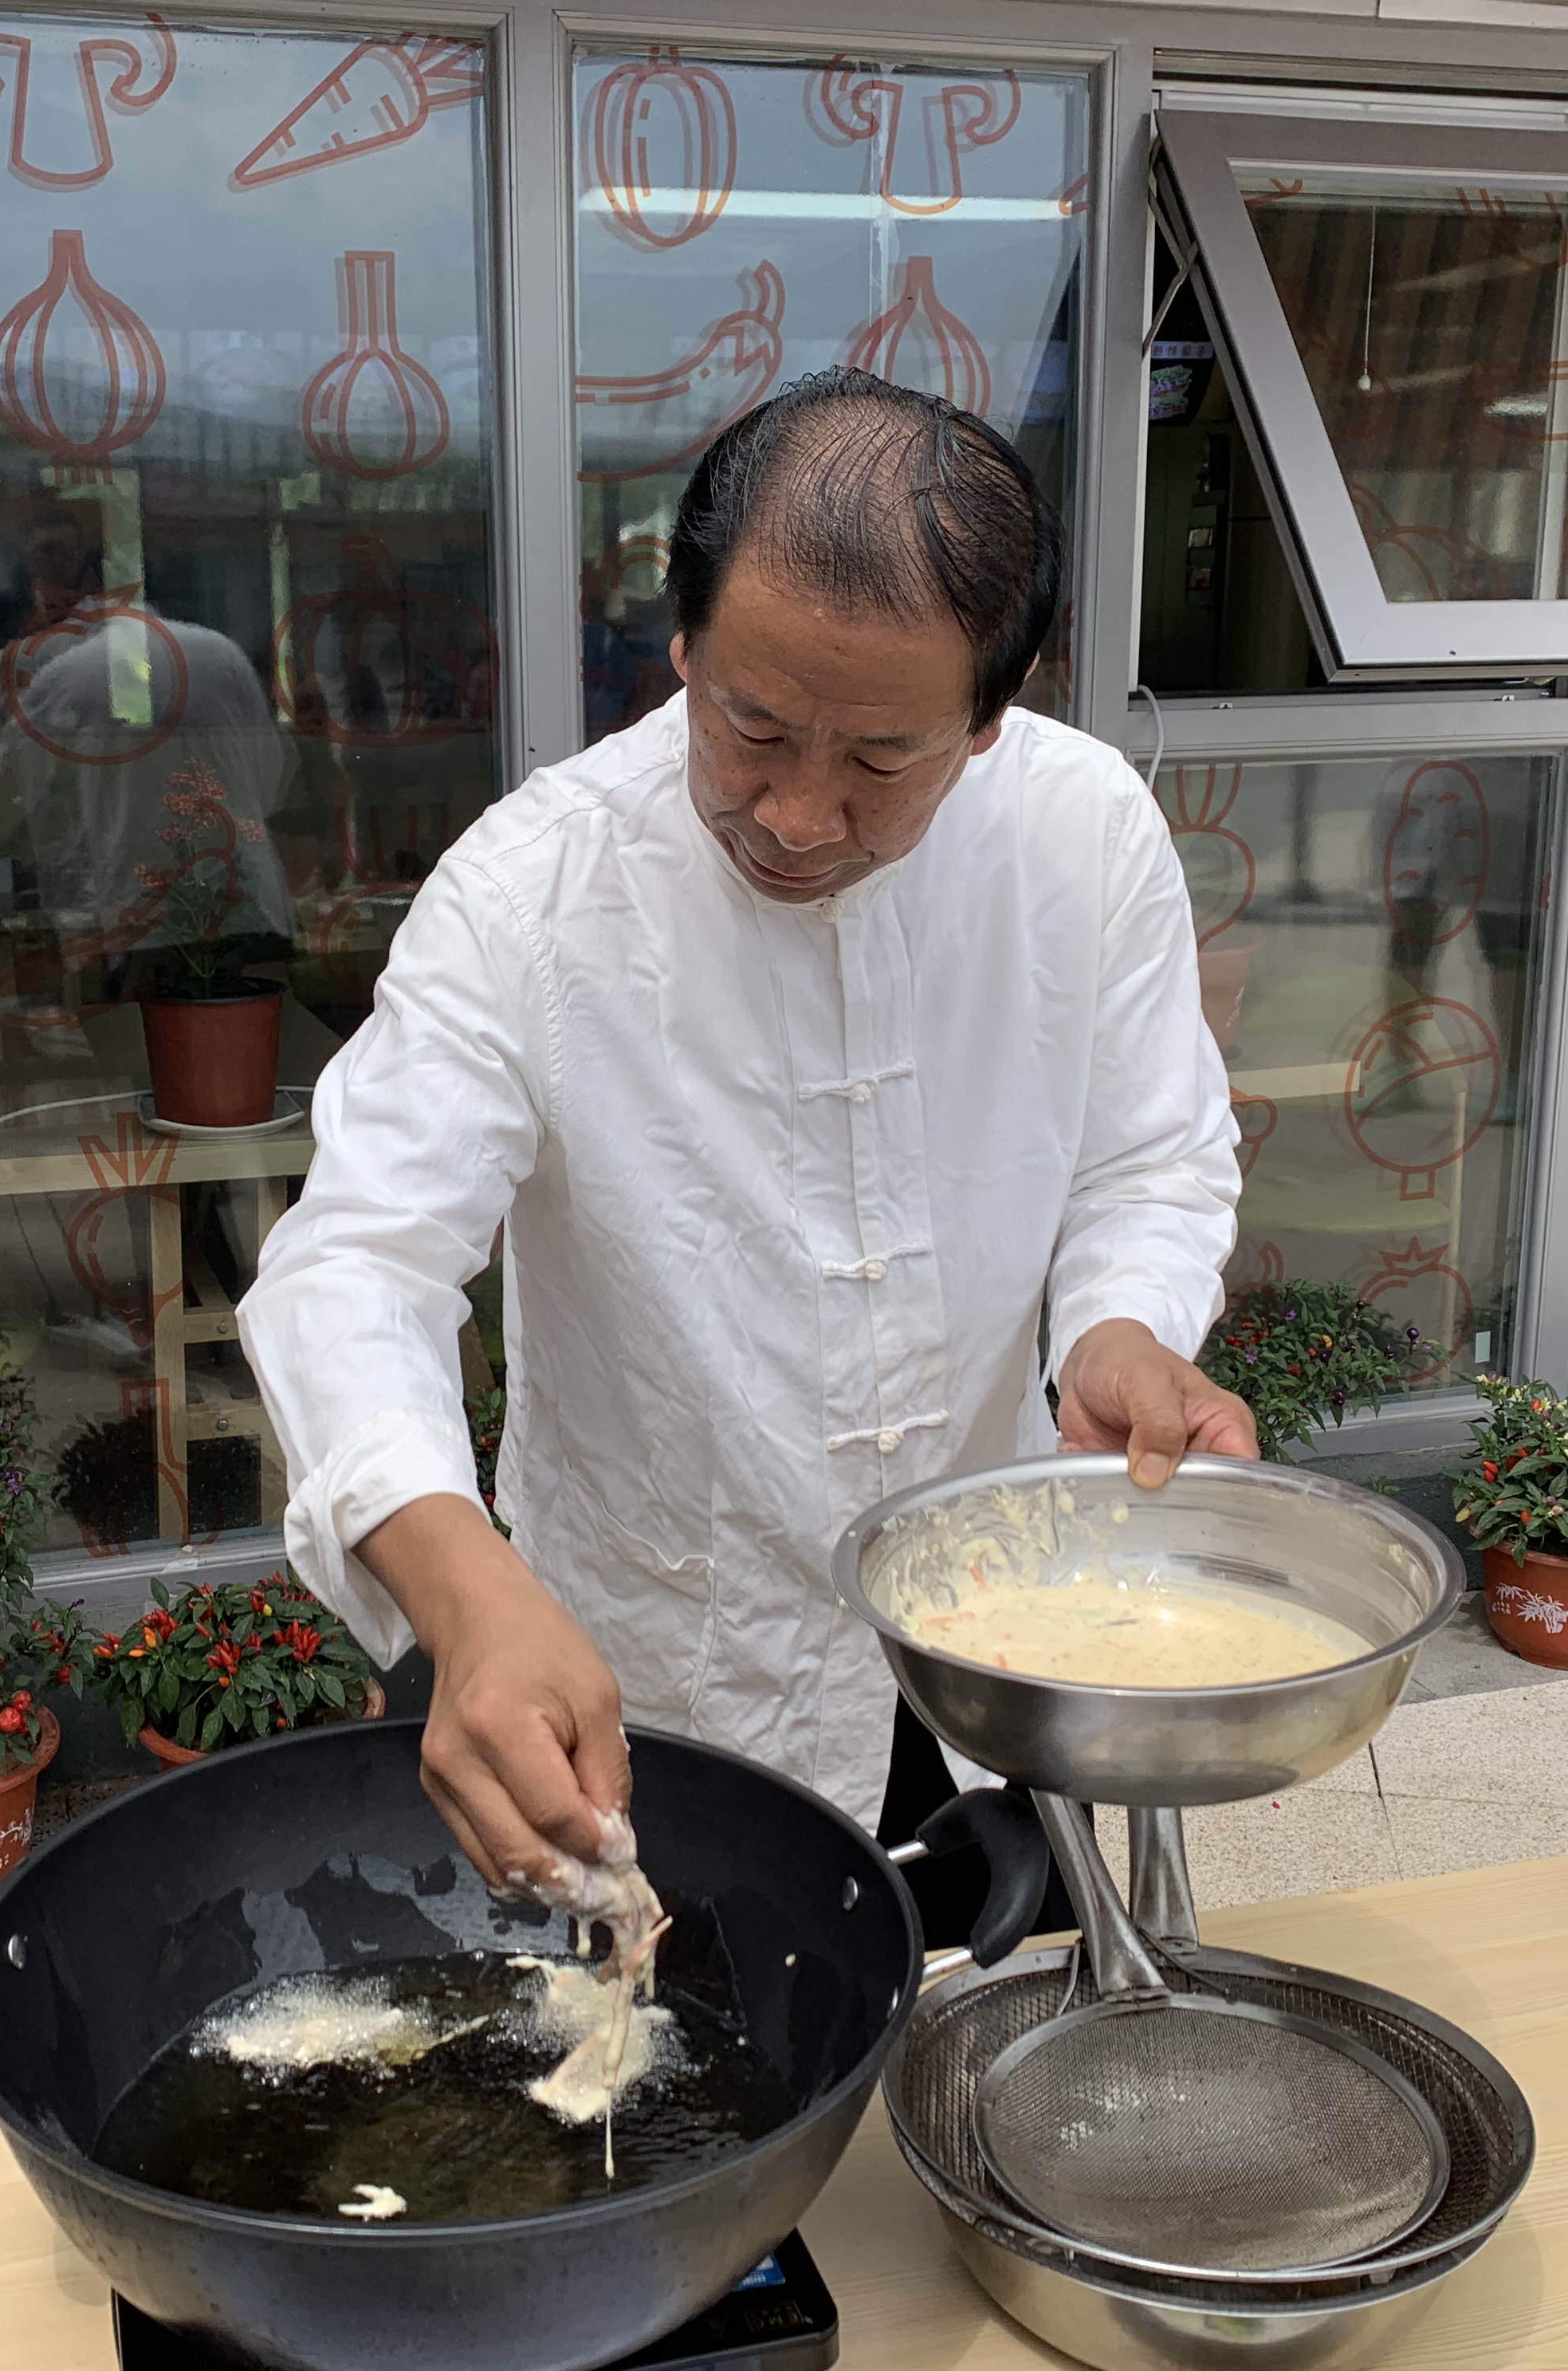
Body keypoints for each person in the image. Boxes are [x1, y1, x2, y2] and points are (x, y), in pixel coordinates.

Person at [236, 371, 1254, 1940]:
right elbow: (353, 1262)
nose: (794, 812)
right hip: (657, 1677)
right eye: (753, 726)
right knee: (668, 2095)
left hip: (985, 1630)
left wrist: (1120, 1323)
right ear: (683, 641)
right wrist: (465, 1591)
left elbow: (1152, 1150)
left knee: (971, 2060)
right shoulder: (536, 892)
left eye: (883, 760)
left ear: (992, 719)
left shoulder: (1081, 833)